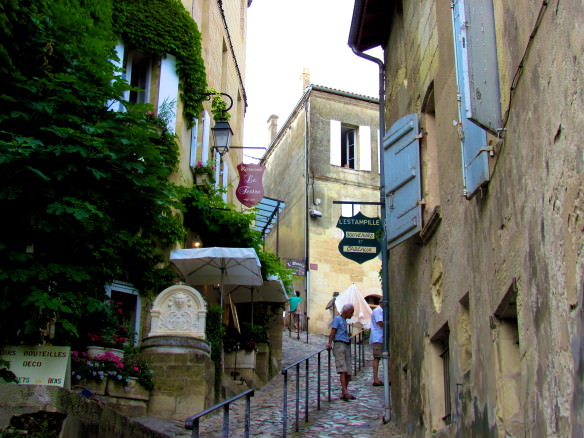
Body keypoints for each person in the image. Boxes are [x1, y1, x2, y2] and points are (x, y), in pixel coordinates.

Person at [326, 303, 355, 401]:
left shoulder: (344, 321)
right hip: (339, 345)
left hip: (346, 344)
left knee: (348, 370)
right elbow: (333, 331)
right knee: (343, 369)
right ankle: (344, 391)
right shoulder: (337, 319)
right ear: (346, 312)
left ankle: (344, 392)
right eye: (351, 312)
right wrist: (329, 343)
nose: (352, 314)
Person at [370, 301, 384, 386]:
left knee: (379, 357)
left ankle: (385, 378)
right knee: (377, 357)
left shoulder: (380, 311)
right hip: (378, 337)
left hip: (380, 337)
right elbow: (380, 323)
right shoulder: (378, 311)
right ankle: (375, 379)